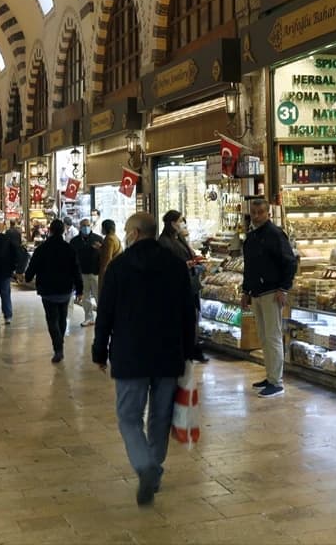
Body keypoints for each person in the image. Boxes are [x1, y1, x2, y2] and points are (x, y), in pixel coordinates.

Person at [93, 212, 196, 506]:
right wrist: (189, 350)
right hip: (168, 354)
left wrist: (100, 351)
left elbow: (105, 314)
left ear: (135, 233)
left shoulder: (118, 267)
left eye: (128, 230)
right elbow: (188, 312)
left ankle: (145, 465)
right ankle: (155, 465)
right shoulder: (175, 265)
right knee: (160, 417)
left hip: (130, 354)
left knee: (129, 417)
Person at [241, 198, 298, 398]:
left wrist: (283, 288)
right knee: (264, 337)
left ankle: (277, 382)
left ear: (268, 213)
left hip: (272, 293)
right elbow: (249, 266)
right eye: (253, 213)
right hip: (256, 293)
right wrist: (246, 291)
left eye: (260, 213)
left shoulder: (275, 234)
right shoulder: (251, 237)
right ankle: (270, 375)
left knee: (273, 336)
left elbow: (290, 262)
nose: (256, 216)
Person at [25, 218, 82, 363]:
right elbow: (76, 270)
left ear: (50, 231)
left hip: (48, 290)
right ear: (63, 231)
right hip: (65, 289)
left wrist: (27, 277)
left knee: (52, 320)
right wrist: (79, 289)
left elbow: (32, 267)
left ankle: (58, 348)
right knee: (62, 318)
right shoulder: (69, 249)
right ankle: (59, 342)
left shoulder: (42, 249)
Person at [158, 210, 209, 363]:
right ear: (173, 223)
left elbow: (188, 254)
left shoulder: (179, 238)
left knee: (193, 317)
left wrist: (195, 259)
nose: (183, 224)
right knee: (183, 319)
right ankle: (185, 350)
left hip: (190, 283)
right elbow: (166, 265)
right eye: (180, 221)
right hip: (177, 286)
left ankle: (193, 348)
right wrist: (185, 265)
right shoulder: (164, 242)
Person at [71, 218, 104, 327]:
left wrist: (100, 249)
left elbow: (104, 255)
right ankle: (89, 318)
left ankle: (102, 319)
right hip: (81, 273)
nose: (86, 227)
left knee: (99, 296)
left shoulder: (98, 239)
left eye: (88, 225)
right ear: (80, 227)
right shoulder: (75, 241)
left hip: (95, 273)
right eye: (84, 225)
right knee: (85, 298)